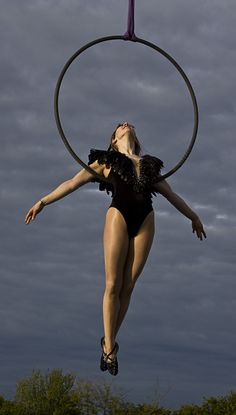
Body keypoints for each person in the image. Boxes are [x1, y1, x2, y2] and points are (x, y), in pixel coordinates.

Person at [25, 122, 206, 376]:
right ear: (114, 139)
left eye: (128, 124)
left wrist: (194, 216)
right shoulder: (106, 160)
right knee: (113, 284)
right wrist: (43, 201)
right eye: (120, 125)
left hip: (146, 219)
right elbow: (72, 182)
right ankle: (109, 347)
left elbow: (172, 195)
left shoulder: (149, 166)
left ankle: (109, 342)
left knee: (128, 285)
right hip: (118, 215)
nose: (126, 124)